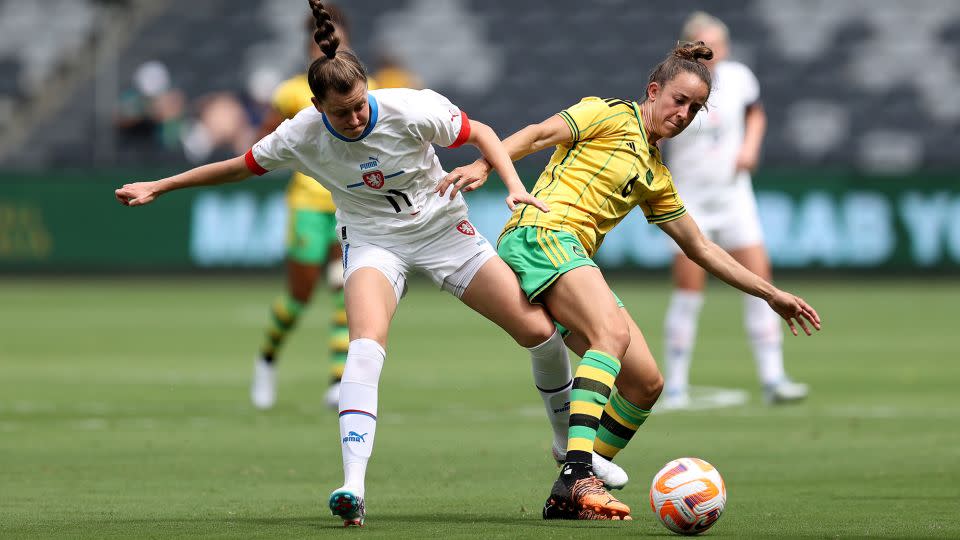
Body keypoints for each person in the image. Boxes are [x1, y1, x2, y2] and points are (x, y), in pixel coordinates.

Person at [114, 0, 626, 527]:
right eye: (341, 112)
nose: (356, 117)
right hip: (374, 241)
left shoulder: (408, 106)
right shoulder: (301, 133)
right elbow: (238, 166)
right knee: (364, 345)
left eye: (360, 104)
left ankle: (570, 453)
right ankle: (352, 487)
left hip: (444, 231)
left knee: (540, 334)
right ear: (318, 106)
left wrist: (514, 187)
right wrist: (161, 184)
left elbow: (483, 134)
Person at [439, 41, 821, 520]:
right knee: (612, 335)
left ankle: (567, 493)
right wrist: (481, 165)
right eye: (678, 100)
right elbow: (538, 134)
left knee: (645, 382)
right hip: (542, 232)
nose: (684, 114)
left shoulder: (656, 175)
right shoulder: (608, 114)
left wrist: (772, 294)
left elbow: (701, 248)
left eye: (695, 109)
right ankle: (580, 471)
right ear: (654, 91)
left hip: (569, 254)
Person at [660, 12, 808, 408]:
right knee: (689, 291)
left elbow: (755, 112)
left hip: (734, 198)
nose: (713, 54)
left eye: (717, 45)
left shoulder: (739, 78)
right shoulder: (680, 87)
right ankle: (674, 384)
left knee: (761, 283)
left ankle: (773, 376)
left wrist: (750, 147)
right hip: (689, 199)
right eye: (704, 46)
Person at [249, 3, 370, 411]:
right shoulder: (291, 92)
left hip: (347, 205)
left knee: (343, 292)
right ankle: (266, 359)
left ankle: (338, 381)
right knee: (299, 296)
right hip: (306, 205)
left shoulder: (360, 91)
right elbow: (261, 146)